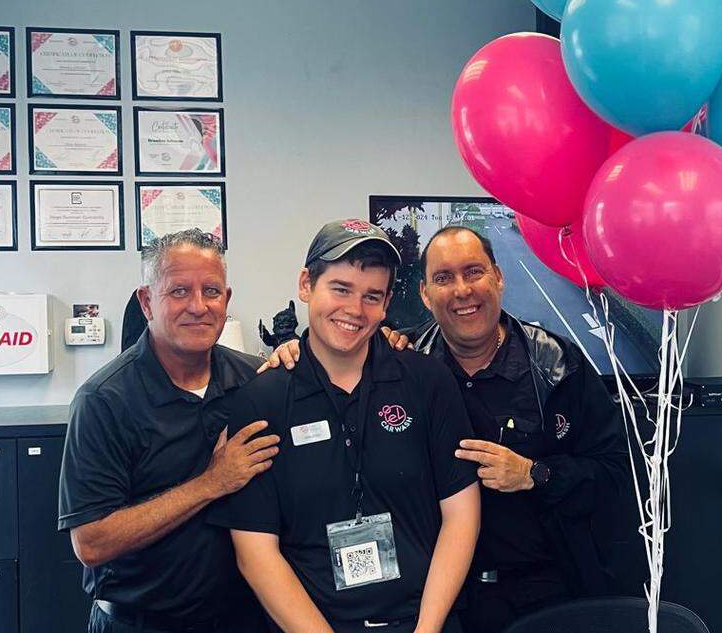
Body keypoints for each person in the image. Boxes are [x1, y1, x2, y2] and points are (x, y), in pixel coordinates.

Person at [266, 225, 628, 633]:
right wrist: (295, 353)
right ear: (425, 294)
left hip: (546, 593)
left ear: (498, 277)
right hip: (441, 601)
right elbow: (338, 346)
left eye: (473, 272)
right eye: (443, 278)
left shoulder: (559, 365)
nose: (462, 290)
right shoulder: (405, 365)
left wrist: (535, 474)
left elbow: (616, 477)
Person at [208, 219, 481, 633]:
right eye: (340, 289)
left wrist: (427, 628)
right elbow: (255, 551)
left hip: (424, 621)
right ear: (306, 285)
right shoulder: (262, 401)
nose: (355, 310)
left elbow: (461, 514)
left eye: (372, 296)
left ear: (387, 304)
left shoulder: (428, 381)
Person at [58, 229, 279, 632]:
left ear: (226, 299)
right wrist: (212, 483)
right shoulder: (103, 401)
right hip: (140, 623)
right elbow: (91, 542)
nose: (198, 306)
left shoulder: (255, 378)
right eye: (179, 291)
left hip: (242, 618)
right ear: (146, 302)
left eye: (211, 291)